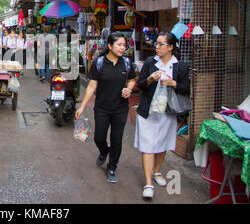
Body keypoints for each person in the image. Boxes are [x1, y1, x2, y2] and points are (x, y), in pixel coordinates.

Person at [134, 32, 190, 199]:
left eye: (160, 44)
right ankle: (148, 183)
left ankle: (157, 172)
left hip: (168, 112)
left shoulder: (180, 66)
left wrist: (173, 83)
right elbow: (140, 85)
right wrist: (150, 79)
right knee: (147, 146)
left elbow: (187, 89)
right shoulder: (151, 62)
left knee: (162, 143)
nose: (156, 47)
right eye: (156, 44)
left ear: (171, 47)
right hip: (148, 112)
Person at [75, 33, 137, 183]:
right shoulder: (99, 63)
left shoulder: (127, 64)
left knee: (117, 140)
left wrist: (129, 89)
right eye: (119, 45)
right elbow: (91, 86)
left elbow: (132, 80)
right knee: (99, 137)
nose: (123, 48)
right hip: (102, 108)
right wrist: (82, 107)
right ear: (110, 46)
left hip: (120, 109)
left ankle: (112, 168)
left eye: (124, 45)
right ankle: (104, 151)